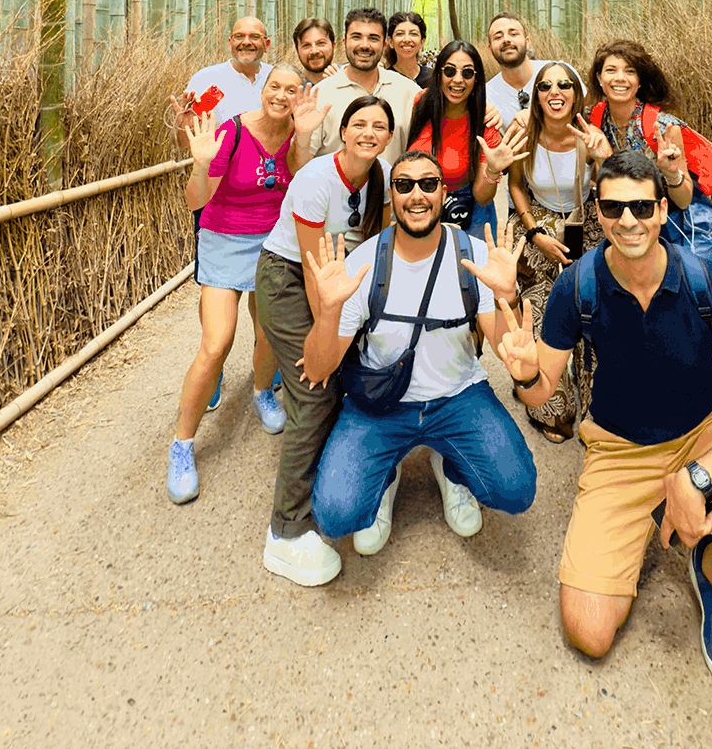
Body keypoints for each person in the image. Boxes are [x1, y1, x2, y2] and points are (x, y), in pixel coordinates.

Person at [498, 150, 712, 693]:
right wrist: (525, 376)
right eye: (615, 207)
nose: (629, 220)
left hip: (706, 431)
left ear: (663, 211)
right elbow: (543, 391)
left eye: (642, 206)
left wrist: (698, 478)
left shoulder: (708, 283)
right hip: (621, 448)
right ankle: (650, 513)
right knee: (588, 632)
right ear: (596, 212)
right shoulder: (577, 289)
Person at [299, 152, 538, 557]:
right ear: (391, 195)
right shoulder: (363, 264)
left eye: (429, 184)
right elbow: (321, 367)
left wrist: (507, 302)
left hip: (457, 396)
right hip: (381, 403)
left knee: (515, 489)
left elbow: (502, 342)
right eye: (404, 184)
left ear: (443, 192)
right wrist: (329, 311)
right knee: (336, 515)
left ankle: (452, 467)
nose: (417, 194)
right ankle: (384, 475)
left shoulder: (474, 257)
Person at [252, 94, 395, 587]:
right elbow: (316, 276)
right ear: (343, 129)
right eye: (360, 124)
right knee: (314, 391)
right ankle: (285, 531)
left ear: (389, 136)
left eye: (379, 126)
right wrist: (325, 347)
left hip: (337, 281)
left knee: (348, 381)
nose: (369, 133)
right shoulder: (316, 179)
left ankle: (337, 483)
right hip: (290, 280)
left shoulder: (379, 176)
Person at [167, 67, 326, 502]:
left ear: (300, 97)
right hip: (223, 240)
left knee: (268, 333)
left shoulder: (297, 132)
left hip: (274, 242)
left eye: (291, 90)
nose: (280, 95)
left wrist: (306, 137)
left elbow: (297, 174)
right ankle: (182, 445)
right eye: (274, 86)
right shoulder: (232, 132)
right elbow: (195, 201)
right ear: (262, 89)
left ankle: (261, 392)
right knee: (216, 343)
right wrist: (199, 165)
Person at [502, 62, 605, 443]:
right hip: (539, 220)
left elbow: (610, 181)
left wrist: (602, 156)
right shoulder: (525, 134)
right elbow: (515, 187)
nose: (555, 91)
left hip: (584, 219)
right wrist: (533, 231)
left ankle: (600, 408)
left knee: (594, 310)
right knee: (539, 309)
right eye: (545, 86)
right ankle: (551, 407)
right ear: (537, 96)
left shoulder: (590, 135)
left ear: (576, 93)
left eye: (564, 84)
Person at [583, 39, 712, 262]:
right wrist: (603, 159)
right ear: (599, 79)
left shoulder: (663, 127)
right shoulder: (596, 120)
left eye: (630, 71)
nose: (620, 78)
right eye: (611, 70)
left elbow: (684, 200)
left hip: (684, 231)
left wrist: (670, 174)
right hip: (637, 225)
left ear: (639, 82)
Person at [406, 40, 522, 240]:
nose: (458, 80)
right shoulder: (421, 103)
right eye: (450, 71)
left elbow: (482, 197)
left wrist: (493, 170)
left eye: (467, 73)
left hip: (468, 213)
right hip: (421, 205)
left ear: (476, 79)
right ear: (439, 73)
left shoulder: (485, 122)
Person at [307, 8, 416, 166]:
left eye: (373, 38)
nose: (364, 45)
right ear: (344, 43)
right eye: (356, 37)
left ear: (384, 45)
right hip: (335, 189)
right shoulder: (321, 93)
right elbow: (301, 163)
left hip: (390, 188)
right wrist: (302, 136)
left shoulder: (409, 91)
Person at [179, 17, 275, 124]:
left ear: (267, 45)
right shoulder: (208, 80)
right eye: (239, 36)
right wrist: (182, 125)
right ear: (229, 44)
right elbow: (187, 134)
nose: (246, 42)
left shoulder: (277, 77)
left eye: (255, 37)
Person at [484, 12, 547, 128]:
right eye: (498, 37)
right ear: (490, 49)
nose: (506, 40)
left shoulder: (557, 73)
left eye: (513, 34)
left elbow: (586, 116)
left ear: (527, 42)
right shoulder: (487, 96)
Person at [386, 10, 436, 87]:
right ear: (390, 42)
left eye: (413, 34)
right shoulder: (384, 80)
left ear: (422, 42)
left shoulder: (434, 78)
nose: (407, 39)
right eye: (400, 34)